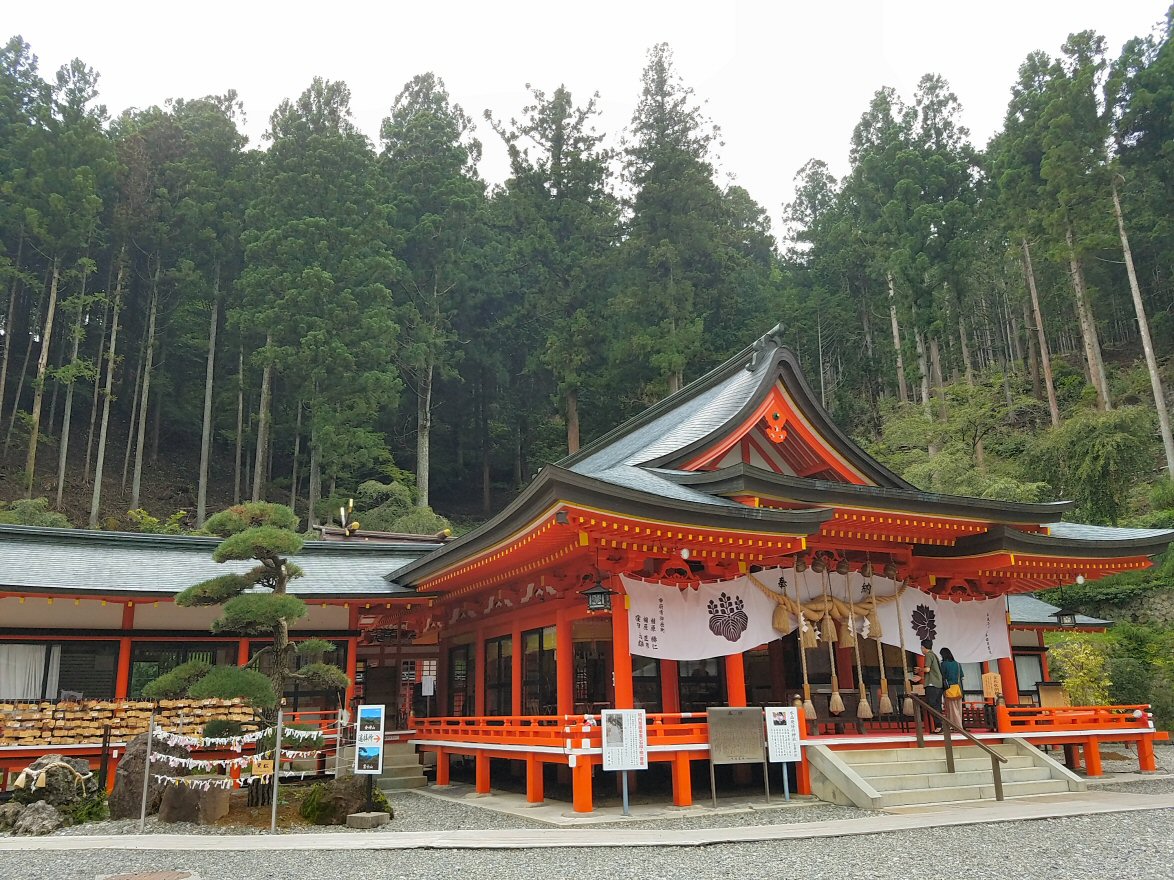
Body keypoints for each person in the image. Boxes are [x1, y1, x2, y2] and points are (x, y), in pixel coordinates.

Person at [921, 639, 943, 732]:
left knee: (931, 704)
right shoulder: (935, 655)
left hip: (932, 684)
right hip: (939, 684)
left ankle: (939, 723)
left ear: (923, 647)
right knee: (937, 705)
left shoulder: (928, 655)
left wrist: (919, 669)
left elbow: (927, 669)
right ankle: (940, 726)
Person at [940, 647, 965, 731]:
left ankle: (956, 726)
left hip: (949, 688)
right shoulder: (957, 664)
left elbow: (942, 676)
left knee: (951, 709)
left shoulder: (944, 664)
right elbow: (961, 677)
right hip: (958, 688)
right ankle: (957, 725)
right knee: (958, 708)